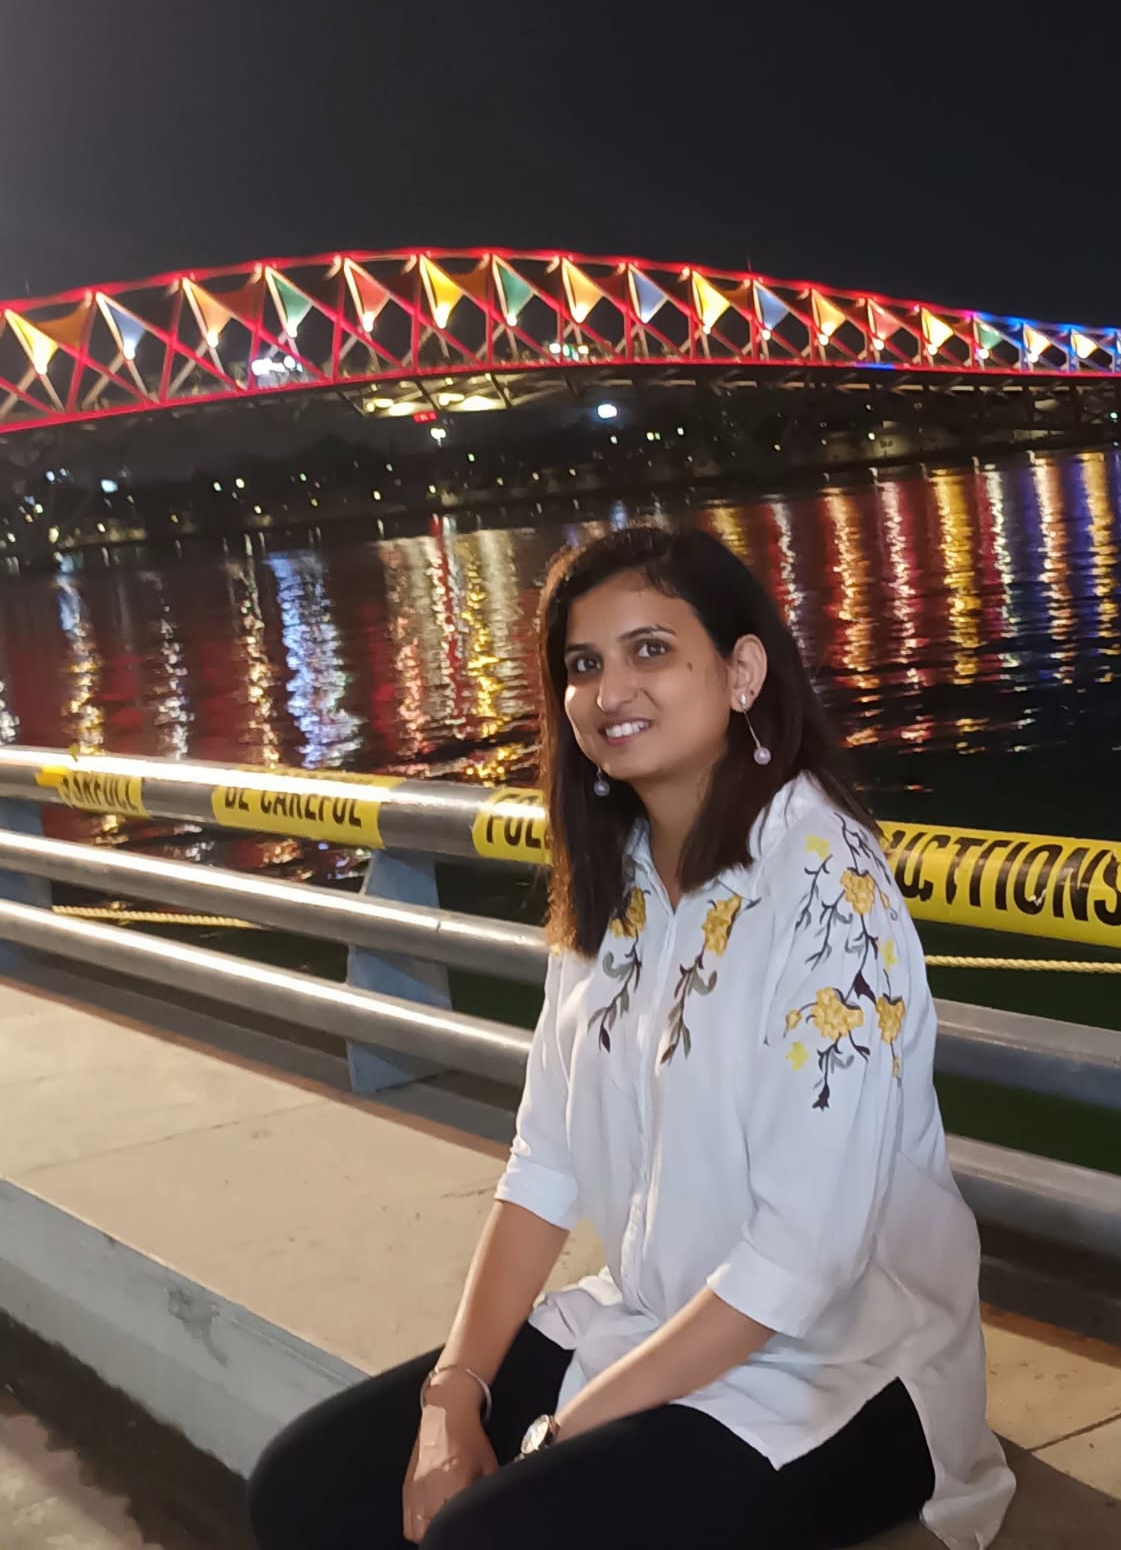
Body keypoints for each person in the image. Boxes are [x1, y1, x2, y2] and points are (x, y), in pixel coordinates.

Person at [247, 524, 1015, 1550]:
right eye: (584, 663)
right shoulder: (615, 878)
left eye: (652, 649)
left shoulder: (827, 882)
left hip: (845, 1365)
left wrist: (566, 1431)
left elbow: (804, 1254)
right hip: (649, 1325)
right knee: (302, 1489)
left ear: (742, 671)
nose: (612, 689)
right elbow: (544, 1163)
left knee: (492, 1535)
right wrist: (453, 1392)